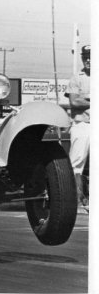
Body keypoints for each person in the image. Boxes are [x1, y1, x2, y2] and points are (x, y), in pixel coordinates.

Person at [65, 45, 90, 211]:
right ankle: (77, 200)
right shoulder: (77, 78)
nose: (88, 60)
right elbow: (74, 102)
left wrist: (86, 100)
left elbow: (81, 101)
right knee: (76, 162)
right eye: (85, 56)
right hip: (82, 124)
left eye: (91, 56)